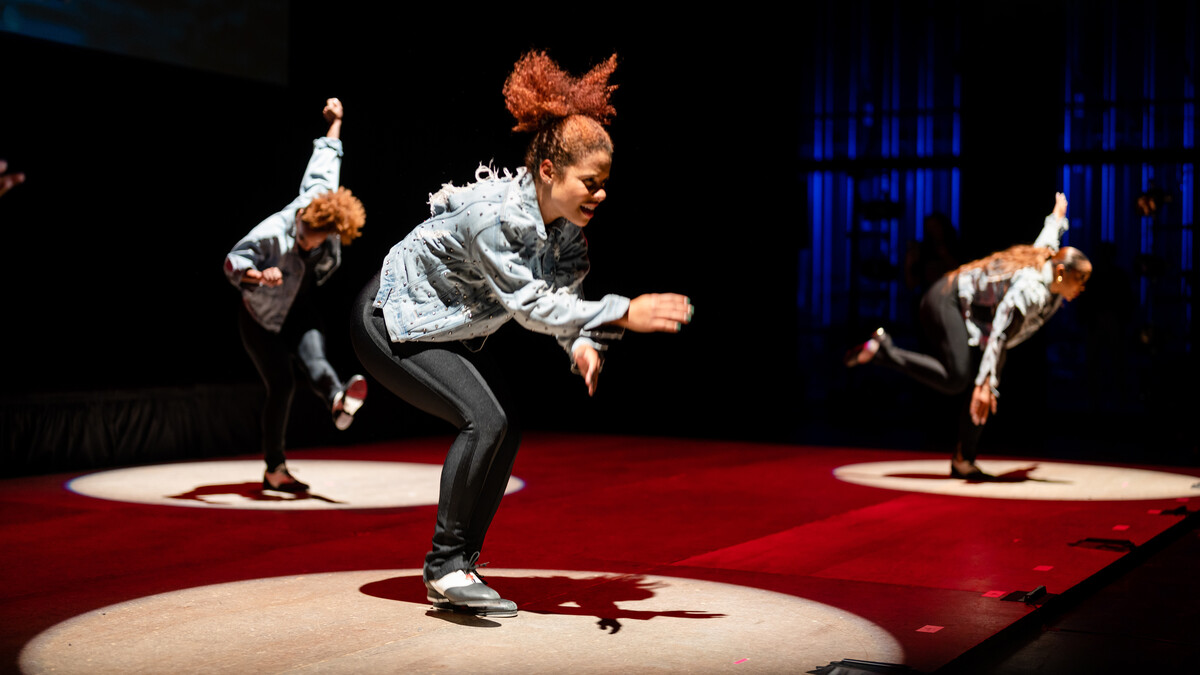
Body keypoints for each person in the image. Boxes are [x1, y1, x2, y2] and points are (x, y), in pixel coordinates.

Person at [350, 52, 694, 618]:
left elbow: (565, 301)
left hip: (436, 325)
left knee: (503, 426)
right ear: (548, 173)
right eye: (590, 181)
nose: (600, 194)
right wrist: (624, 311)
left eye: (605, 183)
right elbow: (532, 306)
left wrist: (581, 342)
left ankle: (459, 565)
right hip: (388, 320)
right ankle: (444, 568)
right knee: (484, 419)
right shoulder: (497, 217)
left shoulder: (568, 235)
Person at [845, 193, 1091, 479]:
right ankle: (883, 350)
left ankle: (964, 458)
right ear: (1061, 273)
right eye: (1080, 280)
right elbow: (1000, 330)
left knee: (983, 379)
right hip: (944, 298)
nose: (1082, 288)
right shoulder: (1032, 290)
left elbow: (1049, 238)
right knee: (961, 378)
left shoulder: (1046, 260)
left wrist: (1059, 214)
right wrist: (984, 382)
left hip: (970, 314)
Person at [224, 97, 368, 494]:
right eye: (307, 240)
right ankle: (275, 470)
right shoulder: (273, 231)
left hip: (296, 309)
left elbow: (327, 152)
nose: (310, 246)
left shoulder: (323, 196)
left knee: (316, 357)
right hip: (259, 321)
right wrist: (257, 274)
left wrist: (336, 120)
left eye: (320, 243)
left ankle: (339, 400)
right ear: (301, 219)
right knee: (283, 386)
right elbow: (231, 263)